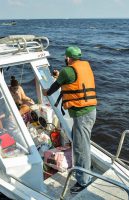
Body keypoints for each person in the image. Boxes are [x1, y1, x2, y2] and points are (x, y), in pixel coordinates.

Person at [43, 46, 97, 194]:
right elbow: (71, 79)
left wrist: (46, 92)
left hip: (82, 115)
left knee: (80, 147)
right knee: (80, 142)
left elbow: (55, 86)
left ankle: (83, 181)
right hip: (90, 112)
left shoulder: (67, 71)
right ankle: (87, 168)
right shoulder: (84, 66)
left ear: (68, 58)